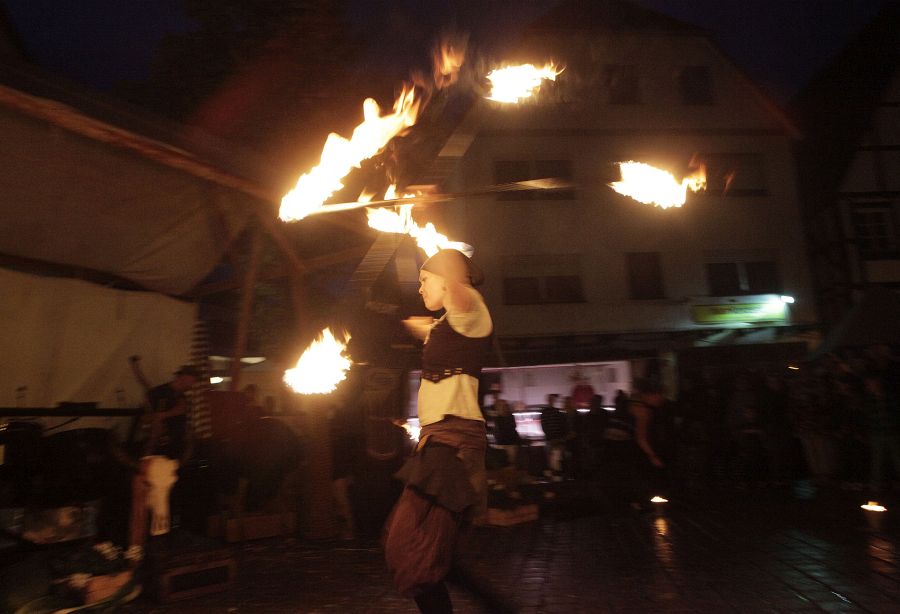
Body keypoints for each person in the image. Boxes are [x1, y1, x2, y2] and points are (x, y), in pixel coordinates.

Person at [383, 248, 494, 614]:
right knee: (423, 550)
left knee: (415, 550)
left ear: (449, 280)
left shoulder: (471, 310)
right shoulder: (448, 323)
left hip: (453, 443)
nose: (419, 287)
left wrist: (433, 246)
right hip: (437, 444)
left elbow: (458, 290)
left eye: (424, 280)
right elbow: (430, 327)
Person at [539, 394, 568, 481]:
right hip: (555, 439)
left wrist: (552, 437)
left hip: (552, 439)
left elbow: (544, 427)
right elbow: (561, 426)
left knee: (552, 459)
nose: (551, 401)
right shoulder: (557, 412)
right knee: (557, 459)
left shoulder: (545, 412)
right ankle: (557, 477)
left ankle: (553, 477)